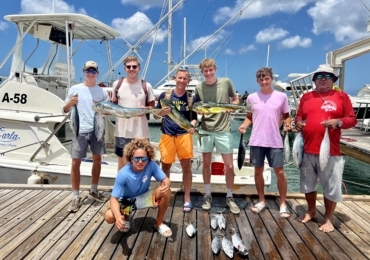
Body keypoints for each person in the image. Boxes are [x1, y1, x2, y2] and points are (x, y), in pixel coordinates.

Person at [294, 64, 357, 232]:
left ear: (333, 80)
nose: (323, 79)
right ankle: (311, 211)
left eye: (327, 76)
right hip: (306, 150)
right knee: (308, 185)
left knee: (331, 186)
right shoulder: (307, 97)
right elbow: (299, 116)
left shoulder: (341, 96)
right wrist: (298, 123)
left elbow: (352, 119)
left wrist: (338, 122)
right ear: (314, 80)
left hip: (331, 151)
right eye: (319, 76)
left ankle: (328, 218)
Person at [238, 67, 291, 218]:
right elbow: (249, 116)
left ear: (271, 79)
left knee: (279, 172)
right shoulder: (251, 98)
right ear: (257, 81)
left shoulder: (282, 97)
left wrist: (288, 124)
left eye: (266, 78)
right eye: (261, 79)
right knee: (258, 171)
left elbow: (287, 116)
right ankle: (261, 201)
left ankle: (282, 203)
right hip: (256, 140)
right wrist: (244, 125)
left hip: (275, 140)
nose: (264, 81)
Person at [194, 58, 240, 214]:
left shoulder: (226, 82)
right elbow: (197, 107)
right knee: (206, 164)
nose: (208, 73)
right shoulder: (199, 87)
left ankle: (229, 196)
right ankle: (207, 194)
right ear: (202, 72)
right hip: (206, 129)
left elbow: (235, 99)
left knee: (230, 166)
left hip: (223, 129)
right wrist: (198, 112)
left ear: (215, 69)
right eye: (205, 71)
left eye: (210, 70)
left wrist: (232, 108)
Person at [63, 61, 109, 212]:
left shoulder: (102, 92)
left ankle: (94, 190)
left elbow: (107, 110)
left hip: (97, 129)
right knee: (76, 162)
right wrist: (70, 102)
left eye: (93, 71)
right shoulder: (75, 89)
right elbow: (64, 109)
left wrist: (104, 109)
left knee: (97, 159)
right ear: (83, 72)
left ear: (97, 73)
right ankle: (75, 196)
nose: (90, 73)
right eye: (88, 70)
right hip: (79, 130)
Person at [104, 138, 172, 237]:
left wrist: (166, 185)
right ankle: (125, 216)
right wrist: (118, 217)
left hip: (144, 197)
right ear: (131, 158)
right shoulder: (123, 174)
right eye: (136, 158)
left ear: (148, 158)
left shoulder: (151, 164)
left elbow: (165, 179)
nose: (140, 161)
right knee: (109, 216)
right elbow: (114, 198)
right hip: (127, 202)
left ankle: (158, 223)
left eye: (144, 158)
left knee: (167, 191)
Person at [154, 67, 198, 213]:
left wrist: (192, 126)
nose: (182, 81)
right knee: (165, 167)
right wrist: (161, 112)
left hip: (184, 136)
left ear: (188, 81)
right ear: (175, 78)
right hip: (167, 135)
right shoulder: (164, 96)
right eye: (180, 78)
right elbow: (155, 116)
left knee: (186, 167)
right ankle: (165, 194)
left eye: (185, 78)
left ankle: (187, 198)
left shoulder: (192, 97)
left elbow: (194, 119)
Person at [111, 56, 155, 171]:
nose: (131, 69)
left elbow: (152, 107)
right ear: (125, 68)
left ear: (139, 68)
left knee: (142, 163)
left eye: (134, 66)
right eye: (128, 66)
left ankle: (140, 188)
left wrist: (146, 108)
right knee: (122, 163)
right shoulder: (117, 84)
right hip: (122, 131)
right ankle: (121, 188)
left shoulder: (147, 86)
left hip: (141, 132)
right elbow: (113, 105)